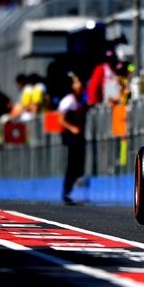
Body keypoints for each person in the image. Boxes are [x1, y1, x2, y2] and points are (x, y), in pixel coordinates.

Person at [57, 71, 87, 205]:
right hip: (71, 137)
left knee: (78, 164)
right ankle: (66, 192)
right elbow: (61, 119)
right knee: (72, 164)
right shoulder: (68, 100)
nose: (80, 86)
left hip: (79, 136)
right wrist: (72, 128)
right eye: (77, 83)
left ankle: (72, 190)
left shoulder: (80, 100)